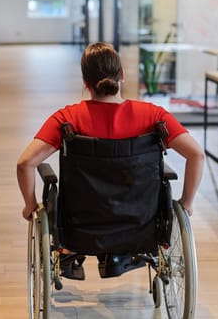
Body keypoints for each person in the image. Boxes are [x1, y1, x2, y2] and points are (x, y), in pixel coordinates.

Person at [17, 42, 204, 279]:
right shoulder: (152, 116)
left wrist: (30, 205)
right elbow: (196, 154)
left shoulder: (68, 119)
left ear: (85, 83)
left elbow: (25, 163)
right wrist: (187, 202)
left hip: (81, 229)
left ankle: (77, 257)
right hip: (141, 226)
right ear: (122, 76)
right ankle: (119, 256)